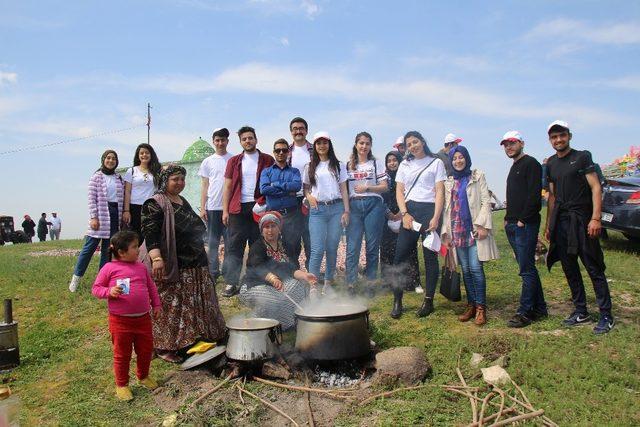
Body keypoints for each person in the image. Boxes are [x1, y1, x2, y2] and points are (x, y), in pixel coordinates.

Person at [141, 165, 226, 363]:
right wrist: (157, 258)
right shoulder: (155, 203)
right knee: (171, 305)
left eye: (182, 179)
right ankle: (165, 346)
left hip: (196, 262)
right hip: (174, 264)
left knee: (197, 302)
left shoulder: (182, 201)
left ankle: (196, 338)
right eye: (175, 179)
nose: (180, 183)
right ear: (165, 181)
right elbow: (150, 233)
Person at [544, 120, 614, 334]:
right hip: (562, 222)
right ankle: (580, 310)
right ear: (550, 140)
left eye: (562, 135)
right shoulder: (551, 165)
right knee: (569, 267)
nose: (558, 140)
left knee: (593, 267)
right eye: (554, 137)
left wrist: (595, 218)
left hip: (583, 220)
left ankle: (606, 315)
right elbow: (553, 196)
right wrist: (549, 225)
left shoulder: (582, 157)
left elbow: (595, 187)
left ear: (569, 136)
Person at [91, 230, 161, 401]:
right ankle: (122, 384)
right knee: (122, 354)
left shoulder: (141, 267)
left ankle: (143, 376)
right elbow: (96, 288)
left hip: (143, 319)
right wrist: (109, 291)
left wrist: (157, 304)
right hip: (120, 321)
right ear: (121, 252)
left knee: (145, 351)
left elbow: (151, 287)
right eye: (135, 247)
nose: (138, 250)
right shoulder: (109, 268)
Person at [390, 131, 446, 319]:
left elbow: (440, 191)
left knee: (430, 257)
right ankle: (397, 301)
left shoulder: (436, 162)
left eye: (415, 142)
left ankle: (428, 300)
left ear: (422, 141)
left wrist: (436, 217)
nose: (413, 146)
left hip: (430, 211)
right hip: (410, 211)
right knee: (399, 257)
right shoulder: (405, 164)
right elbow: (399, 191)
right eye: (409, 144)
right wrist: (405, 214)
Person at [441, 146, 499, 326]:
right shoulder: (448, 182)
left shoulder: (476, 176)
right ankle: (471, 305)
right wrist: (446, 234)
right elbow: (446, 209)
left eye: (461, 157)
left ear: (466, 158)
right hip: (457, 230)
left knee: (475, 268)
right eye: (454, 158)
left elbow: (485, 201)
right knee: (465, 269)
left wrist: (482, 225)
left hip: (473, 229)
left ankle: (481, 307)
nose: (458, 161)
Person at [500, 131, 547, 328]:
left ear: (521, 143)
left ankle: (525, 312)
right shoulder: (515, 166)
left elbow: (534, 196)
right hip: (512, 224)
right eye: (505, 145)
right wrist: (507, 218)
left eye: (512, 143)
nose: (508, 147)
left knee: (526, 270)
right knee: (527, 268)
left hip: (524, 225)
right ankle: (540, 308)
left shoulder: (531, 163)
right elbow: (515, 196)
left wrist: (522, 220)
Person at [239, 212, 316, 330]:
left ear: (279, 228)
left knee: (299, 286)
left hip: (279, 283)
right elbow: (257, 266)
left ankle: (293, 320)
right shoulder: (257, 246)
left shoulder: (286, 245)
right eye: (267, 227)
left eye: (273, 226)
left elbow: (291, 268)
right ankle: (265, 321)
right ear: (262, 230)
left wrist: (305, 276)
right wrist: (272, 278)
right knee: (276, 299)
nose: (270, 230)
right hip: (255, 285)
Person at [221, 126, 275, 297]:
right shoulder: (234, 161)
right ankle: (231, 282)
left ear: (256, 139)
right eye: (244, 139)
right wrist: (225, 211)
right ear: (240, 142)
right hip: (238, 208)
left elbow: (272, 184)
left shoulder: (267, 159)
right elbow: (228, 186)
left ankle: (255, 279)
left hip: (260, 207)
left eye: (250, 138)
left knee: (258, 245)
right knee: (234, 247)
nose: (248, 141)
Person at [69, 150, 124, 292]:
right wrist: (94, 216)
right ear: (103, 160)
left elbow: (122, 198)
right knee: (89, 248)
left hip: (114, 214)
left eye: (113, 159)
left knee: (108, 251)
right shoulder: (96, 177)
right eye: (108, 158)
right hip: (101, 214)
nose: (111, 161)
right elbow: (91, 198)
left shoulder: (118, 178)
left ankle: (101, 281)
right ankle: (76, 279)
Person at [303, 131, 350, 292]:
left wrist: (346, 210)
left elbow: (344, 189)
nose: (322, 146)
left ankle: (328, 283)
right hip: (318, 210)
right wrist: (309, 196)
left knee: (331, 247)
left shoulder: (339, 165)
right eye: (318, 143)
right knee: (317, 249)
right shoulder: (309, 166)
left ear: (329, 145)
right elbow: (306, 188)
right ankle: (313, 286)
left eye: (325, 143)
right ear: (314, 146)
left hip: (336, 208)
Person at [345, 132, 388, 295]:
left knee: (372, 246)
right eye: (361, 143)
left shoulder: (376, 163)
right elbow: (344, 189)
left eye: (367, 143)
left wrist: (367, 187)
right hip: (354, 205)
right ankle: (351, 284)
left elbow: (385, 186)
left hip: (373, 204)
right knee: (352, 246)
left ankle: (370, 283)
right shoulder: (347, 165)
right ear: (356, 144)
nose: (364, 146)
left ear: (370, 146)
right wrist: (346, 210)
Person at [380, 151, 422, 292]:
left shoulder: (406, 176)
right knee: (387, 250)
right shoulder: (384, 179)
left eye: (394, 160)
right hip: (387, 217)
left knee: (409, 249)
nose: (392, 163)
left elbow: (410, 195)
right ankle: (388, 283)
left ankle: (413, 282)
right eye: (389, 161)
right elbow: (381, 198)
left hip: (405, 215)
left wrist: (401, 213)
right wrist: (389, 214)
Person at [199, 127, 234, 282]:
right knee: (213, 242)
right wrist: (203, 207)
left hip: (230, 208)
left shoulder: (233, 159)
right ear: (213, 142)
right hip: (212, 207)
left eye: (223, 140)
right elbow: (205, 185)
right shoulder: (208, 161)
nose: (220, 143)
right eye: (217, 140)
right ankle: (213, 271)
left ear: (227, 141)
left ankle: (227, 271)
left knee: (229, 242)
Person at [260, 138, 302, 262]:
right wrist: (287, 190)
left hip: (291, 214)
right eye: (278, 150)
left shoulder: (294, 171)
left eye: (284, 150)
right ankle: (276, 276)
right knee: (272, 246)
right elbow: (264, 189)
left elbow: (296, 186)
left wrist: (275, 184)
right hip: (273, 215)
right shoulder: (266, 172)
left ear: (288, 152)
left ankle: (294, 275)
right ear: (274, 152)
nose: (281, 153)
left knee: (293, 246)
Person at [288, 117, 314, 269]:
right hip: (291, 199)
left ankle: (312, 270)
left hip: (311, 198)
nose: (298, 131)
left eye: (301, 128)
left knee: (311, 236)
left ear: (306, 131)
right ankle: (294, 271)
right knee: (292, 238)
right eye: (295, 129)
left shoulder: (314, 149)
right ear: (291, 132)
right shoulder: (286, 150)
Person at [123, 143, 161, 244]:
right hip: (135, 207)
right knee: (136, 235)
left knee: (151, 233)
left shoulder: (156, 171)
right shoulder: (131, 171)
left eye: (147, 153)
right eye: (142, 153)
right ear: (138, 155)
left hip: (151, 207)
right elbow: (127, 191)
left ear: (151, 155)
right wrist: (126, 210)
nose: (144, 155)